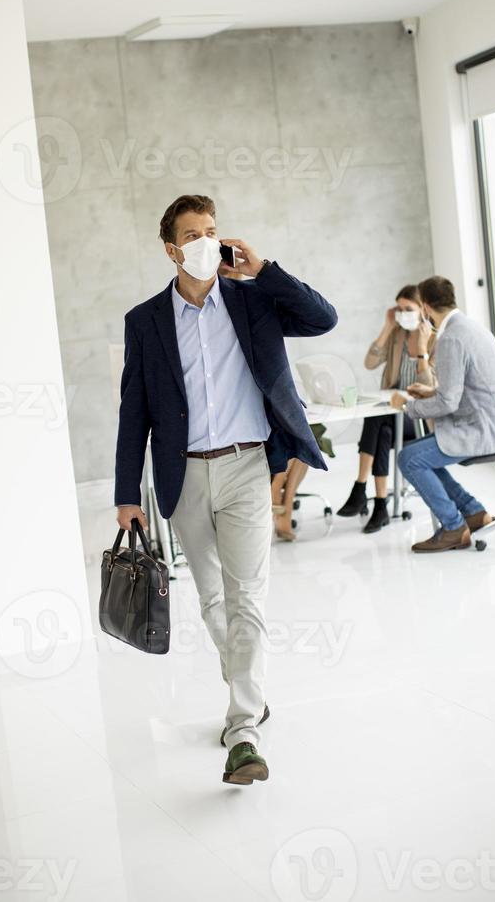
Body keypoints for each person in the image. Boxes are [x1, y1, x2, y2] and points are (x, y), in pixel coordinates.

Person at [114, 194, 337, 785]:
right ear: (171, 249)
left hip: (245, 466)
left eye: (212, 231)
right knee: (212, 598)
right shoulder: (145, 321)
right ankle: (248, 686)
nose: (205, 242)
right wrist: (125, 492)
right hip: (182, 474)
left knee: (247, 598)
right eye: (193, 234)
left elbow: (323, 318)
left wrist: (263, 269)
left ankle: (243, 729)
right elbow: (132, 411)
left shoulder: (253, 300)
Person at [390, 276, 495, 552]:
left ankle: (453, 527)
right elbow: (458, 390)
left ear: (425, 308)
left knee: (408, 458)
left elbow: (449, 403)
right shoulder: (473, 327)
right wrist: (429, 394)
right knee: (421, 456)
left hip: (483, 431)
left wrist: (407, 406)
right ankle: (473, 512)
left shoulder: (450, 338)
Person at [337, 285, 436, 533]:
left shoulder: (434, 339)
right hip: (392, 413)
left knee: (378, 421)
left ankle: (360, 488)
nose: (403, 313)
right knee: (382, 429)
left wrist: (422, 349)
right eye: (399, 309)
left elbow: (429, 386)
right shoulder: (397, 335)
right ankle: (380, 504)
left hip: (419, 417)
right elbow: (369, 363)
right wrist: (387, 328)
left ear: (423, 309)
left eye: (408, 309)